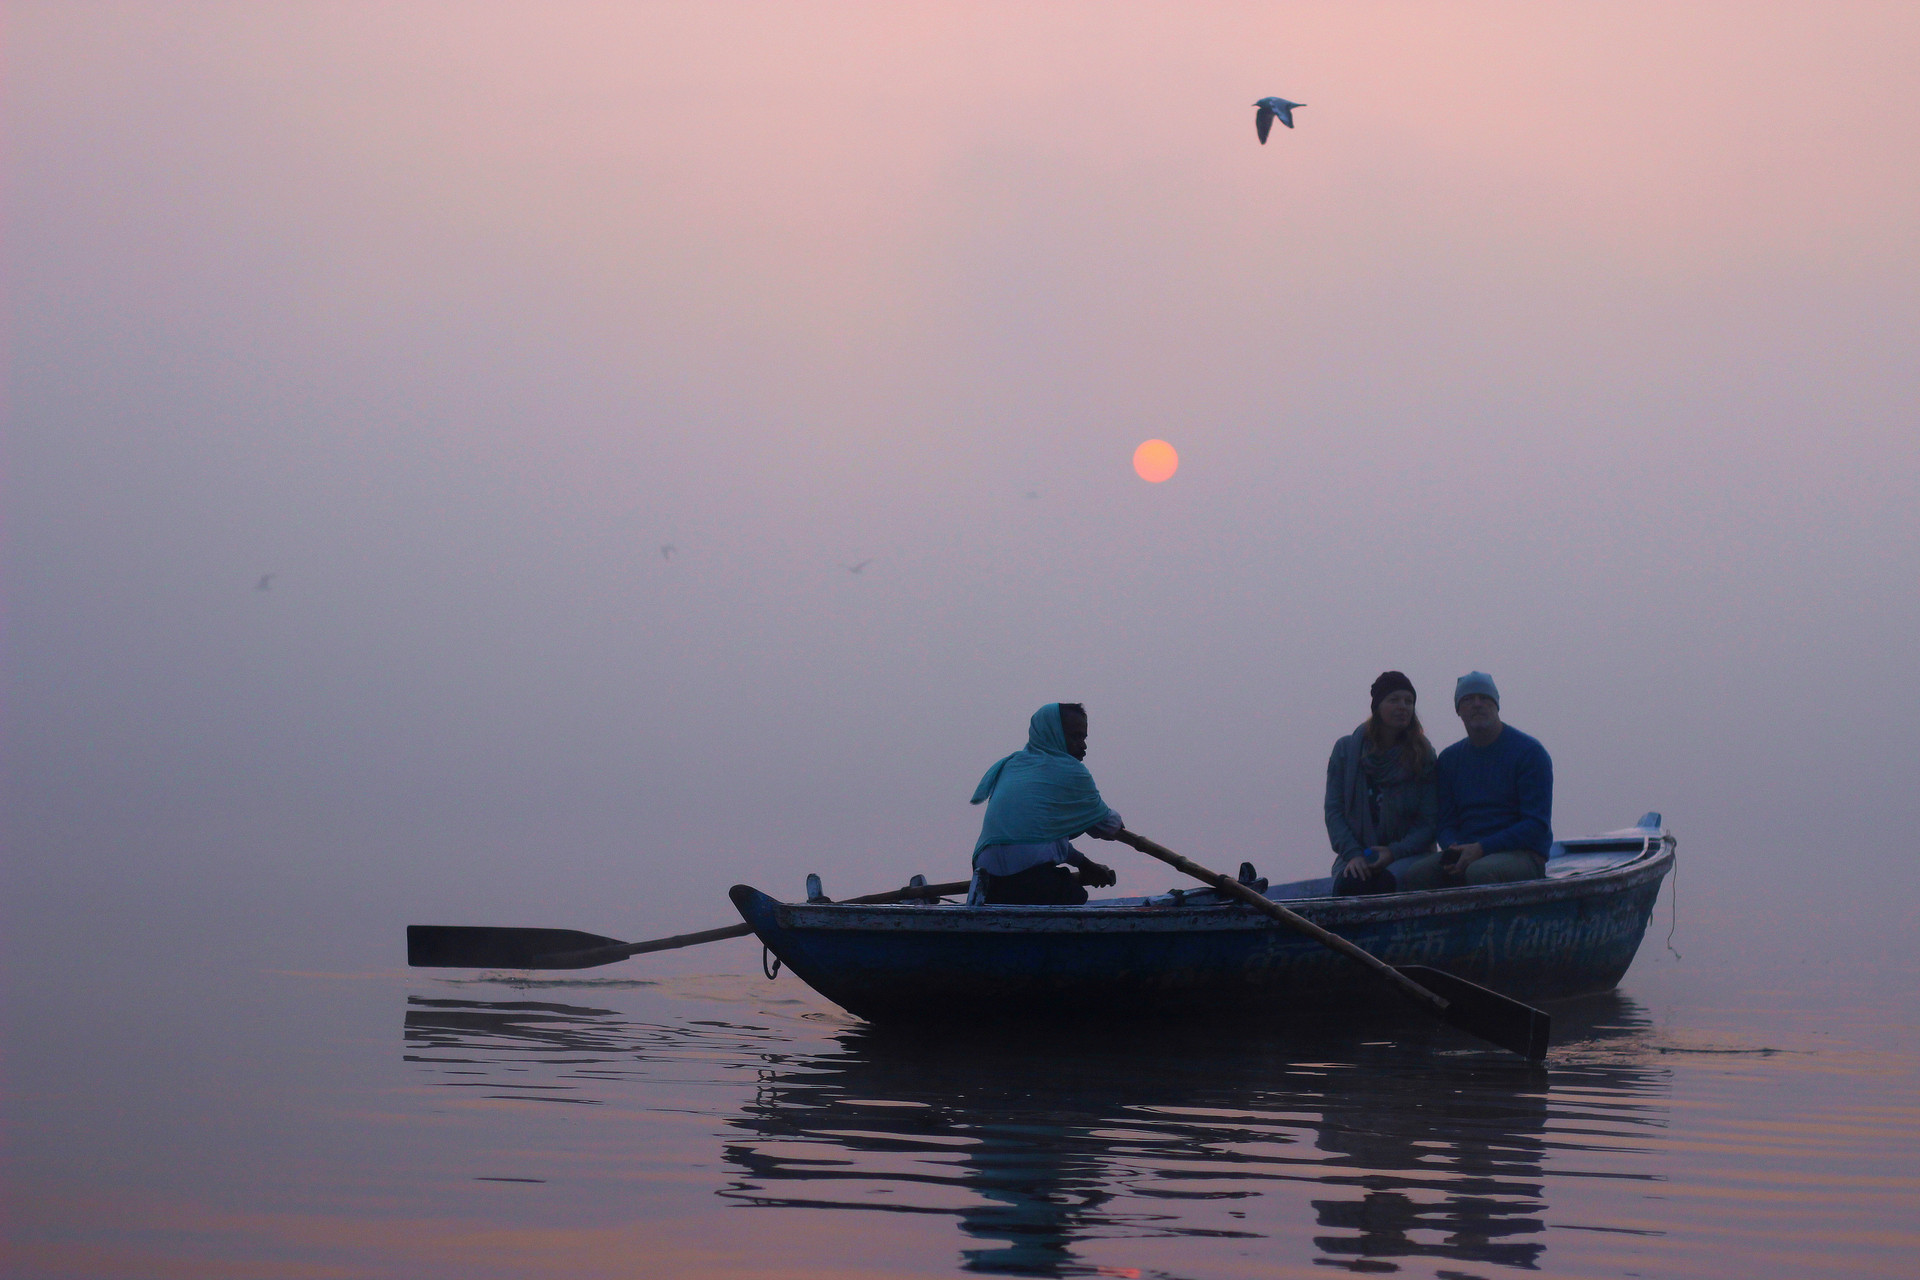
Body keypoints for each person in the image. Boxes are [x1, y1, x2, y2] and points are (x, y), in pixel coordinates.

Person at [1395, 672, 1552, 889]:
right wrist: (1453, 847)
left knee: (1481, 872)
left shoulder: (1529, 753)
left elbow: (1535, 824)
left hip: (1522, 853)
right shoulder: (1450, 760)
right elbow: (1446, 822)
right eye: (1468, 700)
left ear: (1496, 705)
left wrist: (1482, 848)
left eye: (1484, 698)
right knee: (1418, 874)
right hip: (1467, 851)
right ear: (1458, 710)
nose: (1477, 704)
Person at [968, 703, 1123, 905]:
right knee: (1077, 896)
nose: (1083, 745)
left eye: (1084, 738)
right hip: (1031, 881)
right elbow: (1108, 826)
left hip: (987, 881)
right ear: (1054, 734)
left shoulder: (1013, 765)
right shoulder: (1069, 770)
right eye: (1075, 737)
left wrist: (1085, 864)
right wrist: (1117, 827)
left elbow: (1039, 837)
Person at [1324, 671, 1438, 895]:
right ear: (1377, 706)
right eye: (1394, 700)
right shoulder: (1346, 752)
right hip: (1357, 854)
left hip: (1409, 855)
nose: (1403, 706)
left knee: (1384, 883)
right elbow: (1334, 812)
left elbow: (1429, 821)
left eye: (1409, 701)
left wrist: (1393, 852)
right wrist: (1354, 854)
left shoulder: (1423, 754)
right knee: (1351, 884)